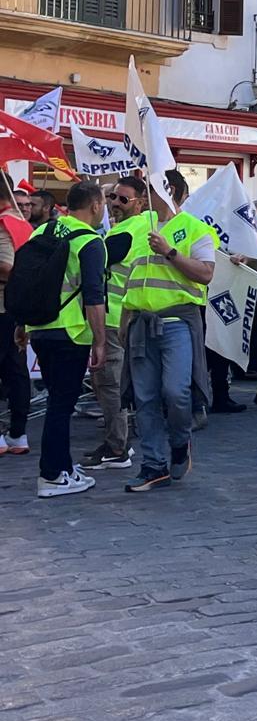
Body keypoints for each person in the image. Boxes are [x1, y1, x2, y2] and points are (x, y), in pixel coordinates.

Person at [120, 170, 216, 494]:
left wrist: (170, 252)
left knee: (176, 392)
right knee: (144, 398)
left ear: (168, 189)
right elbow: (130, 280)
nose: (144, 196)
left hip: (177, 324)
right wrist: (124, 322)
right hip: (139, 324)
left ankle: (179, 442)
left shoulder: (195, 228)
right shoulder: (139, 229)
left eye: (148, 189)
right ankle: (152, 466)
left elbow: (206, 274)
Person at [20, 180, 108, 497]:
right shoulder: (90, 241)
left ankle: (64, 466)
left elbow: (26, 281)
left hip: (39, 328)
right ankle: (52, 475)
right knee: (61, 404)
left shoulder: (41, 232)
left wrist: (22, 325)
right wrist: (100, 341)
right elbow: (94, 297)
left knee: (58, 401)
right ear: (96, 205)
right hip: (71, 333)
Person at [81, 176, 146, 470]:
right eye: (113, 198)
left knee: (107, 384)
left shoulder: (125, 232)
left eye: (123, 199)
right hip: (124, 315)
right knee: (110, 384)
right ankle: (117, 443)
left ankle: (116, 447)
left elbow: (97, 262)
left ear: (140, 202)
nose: (115, 204)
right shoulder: (142, 225)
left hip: (112, 318)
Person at [0, 175, 35, 455]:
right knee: (16, 371)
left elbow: (7, 266)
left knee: (13, 371)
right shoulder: (22, 224)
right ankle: (17, 433)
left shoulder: (4, 223)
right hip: (19, 307)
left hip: (3, 306)